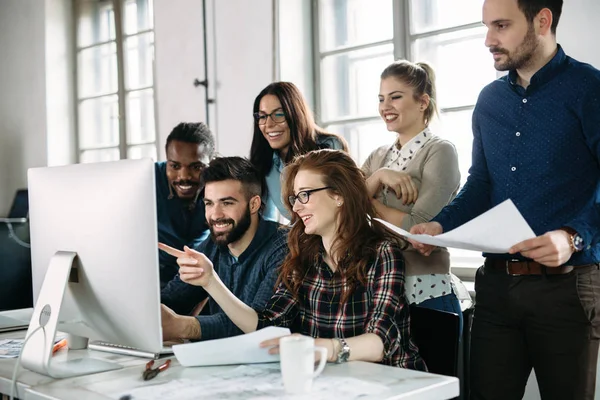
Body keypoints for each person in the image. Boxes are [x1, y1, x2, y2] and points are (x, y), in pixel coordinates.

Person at [410, 0, 600, 399]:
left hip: (568, 290)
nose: (488, 40)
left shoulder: (590, 89)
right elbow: (480, 184)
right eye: (486, 26)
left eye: (500, 26)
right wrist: (440, 225)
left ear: (542, 20)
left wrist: (572, 237)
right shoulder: (489, 101)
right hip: (496, 289)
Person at [163, 150, 426, 370]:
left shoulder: (383, 254)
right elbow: (266, 323)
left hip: (392, 384)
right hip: (331, 381)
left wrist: (323, 347)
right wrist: (210, 282)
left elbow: (380, 343)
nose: (297, 207)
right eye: (295, 197)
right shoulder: (304, 256)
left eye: (305, 195)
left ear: (339, 195)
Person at [362, 60, 462, 326]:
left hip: (425, 292)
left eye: (395, 97)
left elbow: (418, 228)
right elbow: (342, 207)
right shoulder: (377, 157)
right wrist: (381, 175)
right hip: (378, 289)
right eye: (381, 99)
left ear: (422, 102)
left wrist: (368, 204)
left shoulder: (440, 151)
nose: (385, 107)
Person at [159, 156, 287, 342]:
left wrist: (184, 327)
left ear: (254, 204)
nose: (215, 215)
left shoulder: (283, 246)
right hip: (222, 362)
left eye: (227, 203)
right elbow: (172, 299)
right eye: (209, 203)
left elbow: (260, 325)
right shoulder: (212, 246)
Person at [249, 82, 348, 222]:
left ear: (295, 114)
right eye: (262, 117)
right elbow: (264, 219)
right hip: (299, 239)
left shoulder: (330, 146)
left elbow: (346, 205)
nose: (269, 124)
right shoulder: (264, 162)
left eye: (278, 114)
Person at [155, 122, 215, 287]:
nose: (184, 176)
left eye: (196, 167)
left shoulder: (220, 185)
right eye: (174, 166)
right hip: (154, 273)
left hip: (202, 272)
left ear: (211, 162)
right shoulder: (147, 180)